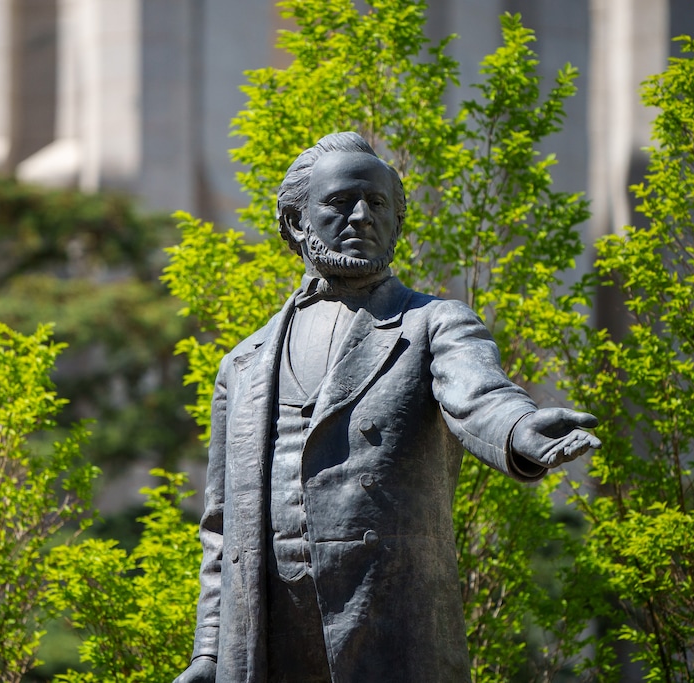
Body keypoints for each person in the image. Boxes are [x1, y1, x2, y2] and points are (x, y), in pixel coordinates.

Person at [173, 132, 600, 683]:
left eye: (377, 203)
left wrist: (521, 427)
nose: (361, 217)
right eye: (339, 202)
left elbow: (479, 397)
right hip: (265, 637)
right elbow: (220, 527)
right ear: (296, 222)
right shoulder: (244, 363)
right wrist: (209, 651)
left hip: (385, 619)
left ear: (397, 223)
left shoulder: (433, 324)